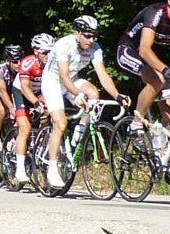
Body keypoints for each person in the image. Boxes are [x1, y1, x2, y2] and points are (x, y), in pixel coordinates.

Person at [42, 16, 131, 188]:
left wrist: (117, 96)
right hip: (53, 81)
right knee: (60, 124)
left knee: (92, 92)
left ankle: (80, 131)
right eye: (88, 36)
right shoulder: (63, 44)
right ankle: (51, 167)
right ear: (77, 33)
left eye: (94, 36)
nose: (92, 40)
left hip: (72, 79)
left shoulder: (95, 48)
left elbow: (103, 76)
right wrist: (76, 95)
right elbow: (63, 76)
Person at [11, 34, 54, 183]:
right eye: (45, 52)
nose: (49, 55)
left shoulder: (54, 64)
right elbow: (24, 87)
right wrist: (36, 103)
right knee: (25, 129)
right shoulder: (28, 63)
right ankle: (20, 169)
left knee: (50, 119)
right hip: (22, 92)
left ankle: (41, 148)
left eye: (51, 51)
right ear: (36, 51)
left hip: (40, 92)